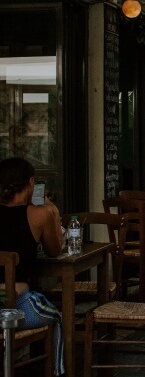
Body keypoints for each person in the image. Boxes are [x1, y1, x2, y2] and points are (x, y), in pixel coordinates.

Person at [0, 157, 65, 375]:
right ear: (30, 183)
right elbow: (55, 250)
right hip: (18, 307)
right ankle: (56, 372)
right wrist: (52, 209)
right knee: (57, 316)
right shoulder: (39, 214)